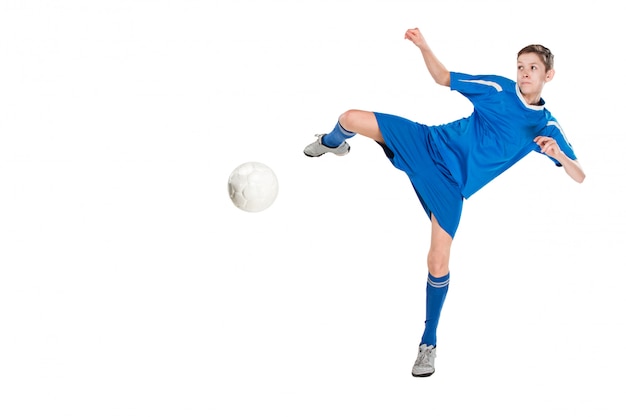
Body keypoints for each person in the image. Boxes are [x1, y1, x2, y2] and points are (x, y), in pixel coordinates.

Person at [303, 27, 585, 377]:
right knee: (349, 118)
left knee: (437, 261)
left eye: (532, 68)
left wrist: (560, 154)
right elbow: (443, 77)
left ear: (548, 75)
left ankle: (428, 343)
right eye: (520, 66)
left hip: (452, 186)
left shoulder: (546, 126)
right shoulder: (497, 89)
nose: (524, 73)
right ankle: (333, 143)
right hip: (428, 142)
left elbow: (579, 175)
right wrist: (423, 45)